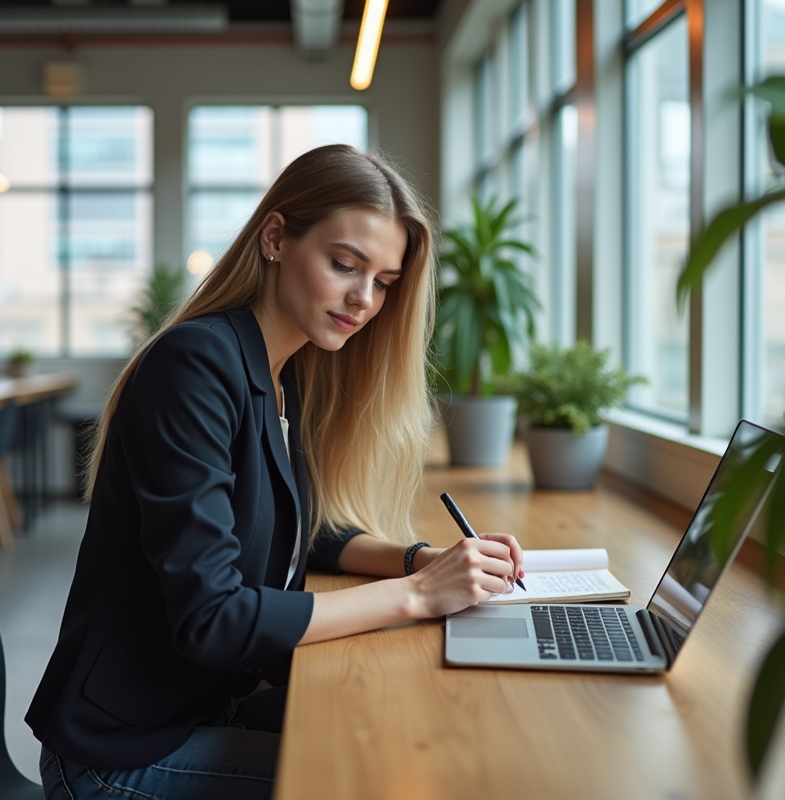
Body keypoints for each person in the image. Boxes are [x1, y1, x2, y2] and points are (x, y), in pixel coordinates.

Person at [28, 145, 525, 800]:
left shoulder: (278, 373)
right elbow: (213, 617)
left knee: (412, 730)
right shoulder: (196, 366)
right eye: (345, 265)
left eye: (383, 282)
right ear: (274, 239)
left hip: (198, 709)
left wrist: (423, 561)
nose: (364, 299)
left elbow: (306, 530)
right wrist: (419, 597)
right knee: (378, 780)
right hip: (118, 754)